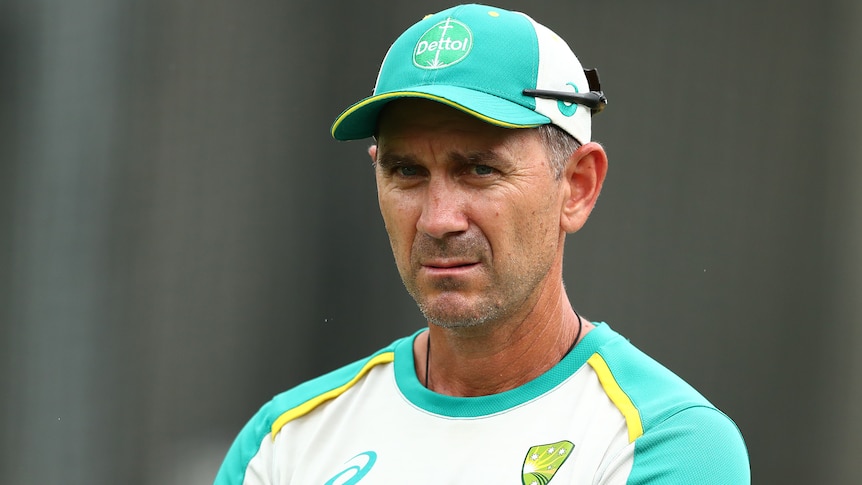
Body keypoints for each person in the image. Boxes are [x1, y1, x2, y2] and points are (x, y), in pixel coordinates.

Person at [214, 4, 750, 484]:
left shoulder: (663, 444)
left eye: (479, 168)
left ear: (578, 187)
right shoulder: (283, 442)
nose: (438, 219)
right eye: (406, 171)